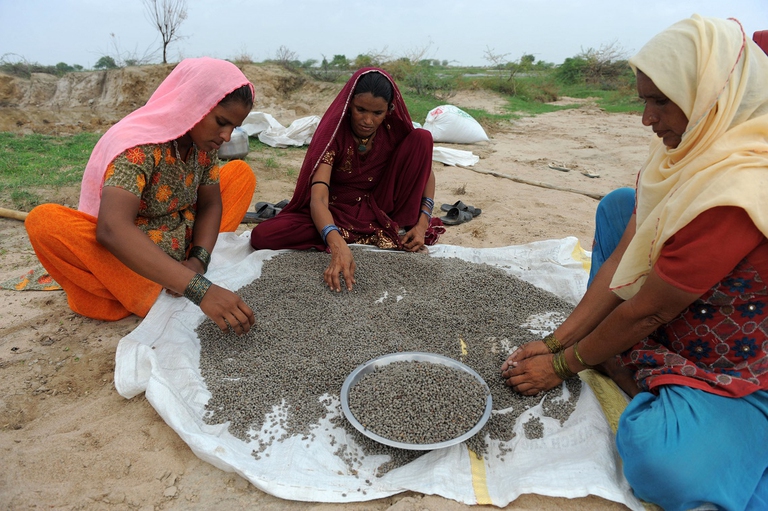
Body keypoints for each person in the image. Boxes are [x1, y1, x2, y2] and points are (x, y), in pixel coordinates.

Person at [501, 15, 768, 510]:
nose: (647, 119)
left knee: (661, 466)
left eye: (661, 101)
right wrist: (559, 339)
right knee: (622, 204)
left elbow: (649, 312)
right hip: (683, 304)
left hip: (738, 355)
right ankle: (619, 353)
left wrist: (562, 365)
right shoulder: (690, 147)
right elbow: (627, 250)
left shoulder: (740, 186)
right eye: (644, 99)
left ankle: (635, 368)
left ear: (711, 96)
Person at [25, 57, 257, 335]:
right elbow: (112, 229)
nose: (227, 136)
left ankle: (170, 278)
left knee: (240, 175)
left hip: (183, 241)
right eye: (222, 122)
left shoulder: (202, 146)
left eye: (234, 126)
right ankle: (146, 289)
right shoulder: (139, 146)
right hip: (133, 255)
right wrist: (199, 289)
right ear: (193, 103)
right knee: (45, 221)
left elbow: (210, 204)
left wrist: (198, 260)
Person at [249, 68, 444, 292]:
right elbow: (319, 199)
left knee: (422, 138)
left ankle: (386, 229)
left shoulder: (394, 130)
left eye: (377, 113)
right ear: (349, 103)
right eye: (360, 110)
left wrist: (422, 225)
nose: (368, 120)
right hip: (337, 210)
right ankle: (364, 233)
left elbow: (426, 173)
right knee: (263, 235)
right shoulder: (334, 134)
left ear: (389, 110)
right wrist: (337, 244)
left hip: (381, 205)